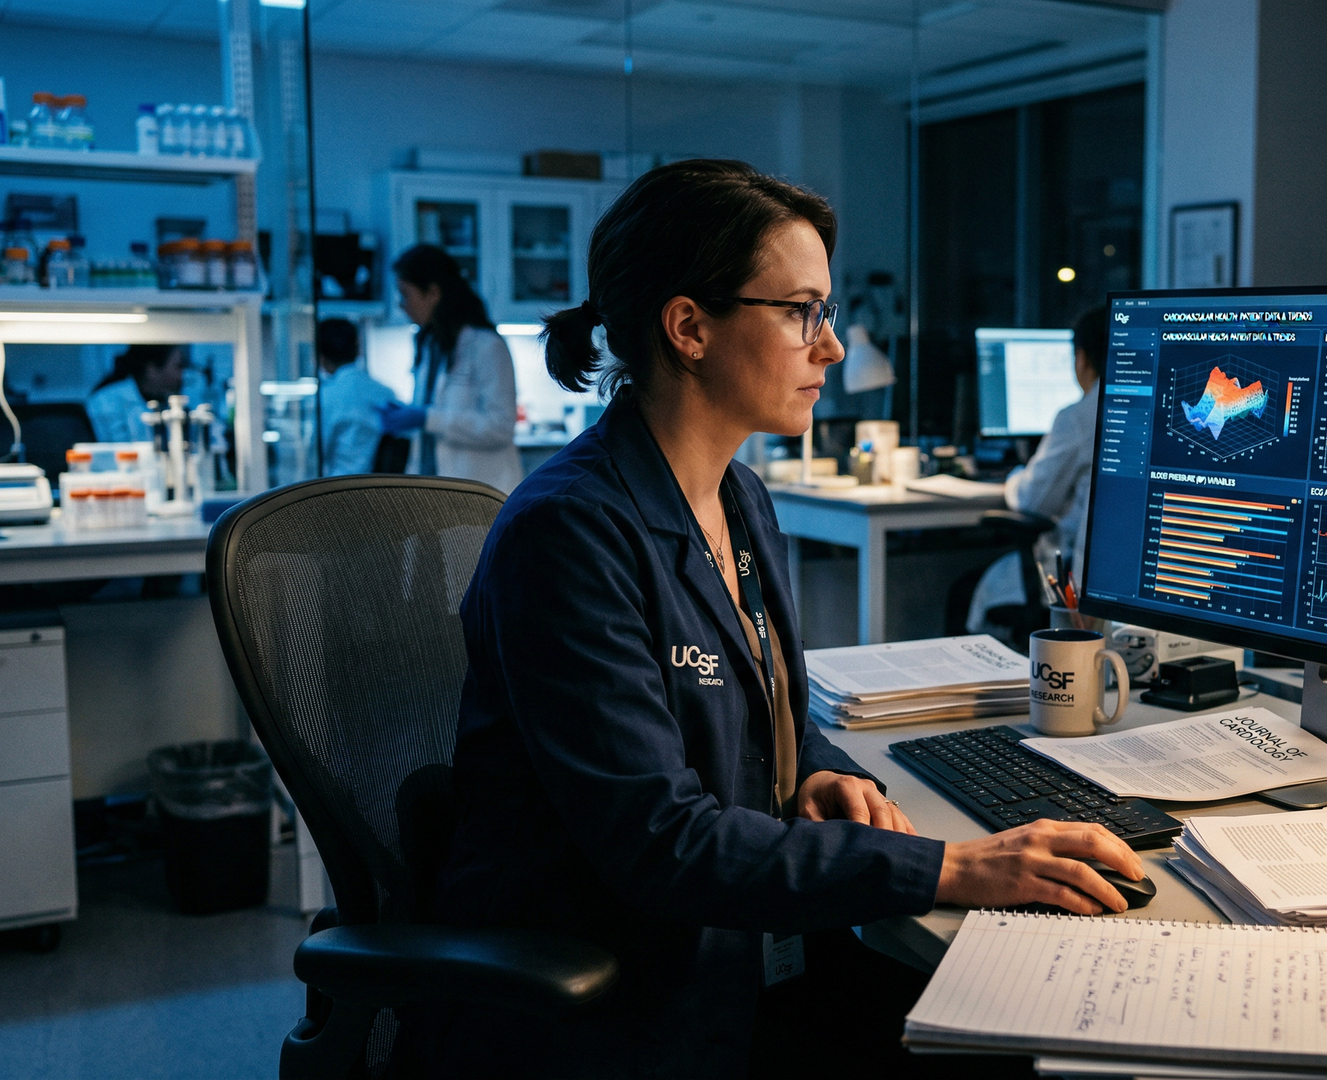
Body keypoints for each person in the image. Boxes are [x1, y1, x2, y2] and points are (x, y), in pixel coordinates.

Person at [399, 160, 1144, 1079]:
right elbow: (662, 843)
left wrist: (814, 769)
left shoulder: (739, 496)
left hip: (732, 952)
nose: (829, 348)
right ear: (689, 328)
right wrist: (955, 867)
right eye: (802, 312)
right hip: (613, 1003)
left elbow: (753, 708)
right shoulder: (568, 534)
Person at [966, 306, 1107, 634]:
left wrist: (1015, 478)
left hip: (1070, 573)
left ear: (1082, 358)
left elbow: (1033, 500)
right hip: (1111, 578)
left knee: (964, 590)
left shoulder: (1077, 418)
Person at [379, 244, 522, 494]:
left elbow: (500, 426)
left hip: (482, 491)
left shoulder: (486, 345)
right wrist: (413, 416)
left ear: (433, 293)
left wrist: (427, 417)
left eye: (405, 294)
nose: (402, 304)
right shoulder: (431, 344)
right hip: (436, 491)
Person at [315, 317, 398, 475]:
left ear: (322, 357)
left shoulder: (326, 396)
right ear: (358, 349)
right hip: (380, 487)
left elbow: (318, 451)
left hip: (339, 486)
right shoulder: (386, 392)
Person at [85, 343, 185, 443]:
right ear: (151, 370)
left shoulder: (166, 400)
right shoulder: (105, 402)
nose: (182, 375)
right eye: (178, 367)